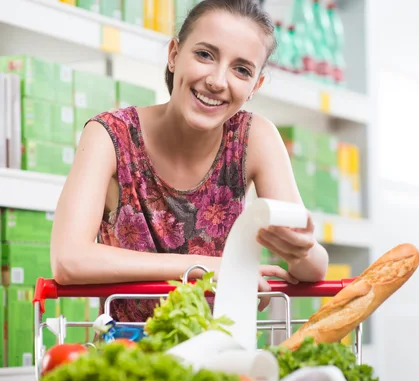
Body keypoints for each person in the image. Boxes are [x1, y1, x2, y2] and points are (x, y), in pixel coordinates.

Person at [50, 0, 329, 322]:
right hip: (128, 357)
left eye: (241, 69)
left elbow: (312, 268)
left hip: (224, 354)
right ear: (173, 55)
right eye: (205, 55)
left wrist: (302, 249)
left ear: (256, 86)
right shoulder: (110, 135)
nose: (217, 81)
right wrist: (210, 268)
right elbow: (68, 260)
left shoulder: (255, 137)